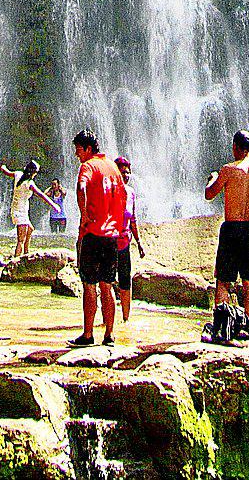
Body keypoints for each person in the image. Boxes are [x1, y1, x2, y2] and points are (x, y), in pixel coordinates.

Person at [70, 129, 126, 348]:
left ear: (88, 149)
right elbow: (123, 197)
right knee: (107, 285)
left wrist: (83, 215)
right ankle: (110, 335)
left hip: (93, 233)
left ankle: (87, 335)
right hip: (112, 235)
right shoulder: (113, 167)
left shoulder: (88, 166)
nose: (77, 155)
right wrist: (119, 225)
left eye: (78, 150)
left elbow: (81, 186)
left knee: (90, 285)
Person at [205, 129, 249, 331]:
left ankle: (221, 327)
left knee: (223, 281)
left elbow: (209, 194)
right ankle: (248, 327)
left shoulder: (228, 169)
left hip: (231, 227)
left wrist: (212, 178)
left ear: (234, 147)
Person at [114, 156, 147, 323]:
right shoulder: (109, 191)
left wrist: (139, 243)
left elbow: (132, 219)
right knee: (107, 281)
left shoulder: (131, 193)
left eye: (127, 172)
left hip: (124, 243)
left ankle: (126, 320)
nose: (125, 175)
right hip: (109, 241)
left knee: (125, 280)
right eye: (122, 172)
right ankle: (108, 321)